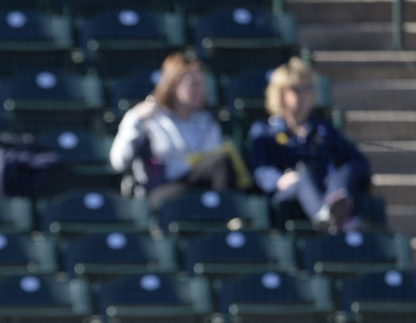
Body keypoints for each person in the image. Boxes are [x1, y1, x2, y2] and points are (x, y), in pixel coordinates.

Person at [247, 56, 371, 233]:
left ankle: (333, 212)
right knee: (303, 175)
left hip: (326, 187)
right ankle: (329, 218)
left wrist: (341, 178)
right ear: (280, 94)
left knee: (343, 171)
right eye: (297, 89)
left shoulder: (323, 128)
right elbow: (260, 169)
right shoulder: (265, 130)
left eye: (308, 88)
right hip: (289, 191)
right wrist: (278, 179)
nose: (304, 95)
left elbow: (358, 161)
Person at [109, 50, 241, 208]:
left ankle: (226, 214)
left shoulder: (208, 120)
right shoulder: (148, 118)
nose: (200, 91)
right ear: (173, 85)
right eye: (193, 84)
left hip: (198, 184)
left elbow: (213, 162)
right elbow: (119, 162)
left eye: (202, 84)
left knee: (222, 162)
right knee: (180, 193)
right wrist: (134, 119)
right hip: (162, 190)